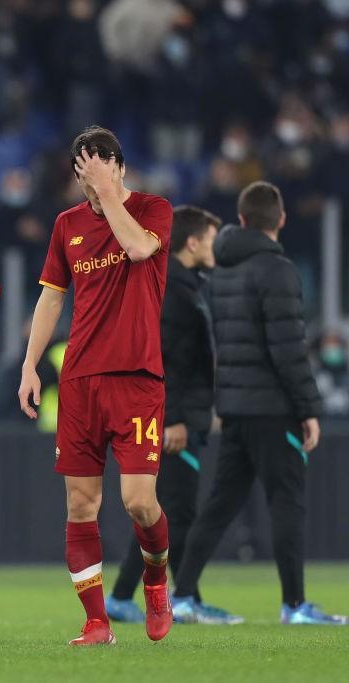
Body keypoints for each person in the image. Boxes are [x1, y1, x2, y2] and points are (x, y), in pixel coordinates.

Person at [17, 126, 174, 646]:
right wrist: (30, 363)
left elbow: (135, 250)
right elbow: (52, 299)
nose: (90, 188)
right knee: (80, 505)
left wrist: (109, 194)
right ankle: (96, 622)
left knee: (138, 503)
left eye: (98, 174)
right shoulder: (67, 225)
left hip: (136, 378)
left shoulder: (153, 211)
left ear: (118, 168)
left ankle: (155, 580)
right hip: (81, 381)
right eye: (82, 178)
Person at [171, 182, 347, 626]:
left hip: (233, 407)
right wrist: (309, 407)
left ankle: (184, 594)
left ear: (242, 219)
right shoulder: (277, 269)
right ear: (280, 220)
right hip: (273, 407)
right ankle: (294, 605)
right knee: (286, 501)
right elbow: (288, 348)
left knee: (220, 504)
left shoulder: (222, 271)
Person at [104, 206, 241, 625]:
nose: (217, 246)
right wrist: (174, 418)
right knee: (177, 512)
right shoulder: (174, 292)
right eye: (212, 238)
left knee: (162, 511)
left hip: (186, 414)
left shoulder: (188, 286)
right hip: (176, 419)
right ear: (193, 242)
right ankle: (183, 599)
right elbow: (165, 361)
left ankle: (125, 596)